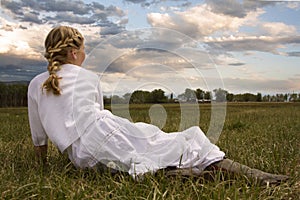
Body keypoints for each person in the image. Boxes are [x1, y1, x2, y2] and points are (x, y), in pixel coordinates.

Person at [28, 25, 289, 185]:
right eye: (84, 49)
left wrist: (43, 169)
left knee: (146, 163)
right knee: (182, 143)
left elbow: (39, 137)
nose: (86, 54)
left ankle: (196, 174)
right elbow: (96, 120)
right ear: (74, 53)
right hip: (105, 135)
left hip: (82, 158)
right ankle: (256, 176)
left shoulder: (35, 84)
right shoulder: (87, 77)